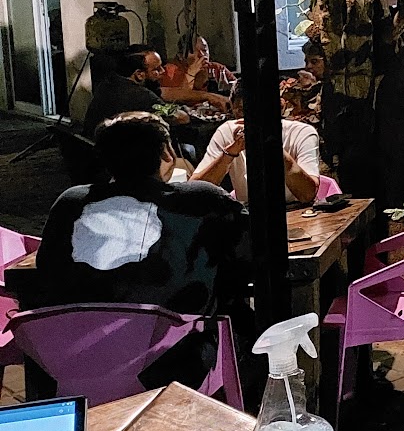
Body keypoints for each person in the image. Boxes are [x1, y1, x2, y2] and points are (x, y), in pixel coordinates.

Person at [24, 111, 249, 318]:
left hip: (86, 339)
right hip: (182, 341)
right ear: (167, 153)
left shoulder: (71, 202)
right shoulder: (203, 199)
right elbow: (251, 254)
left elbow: (48, 270)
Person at [193, 77, 323, 205]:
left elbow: (307, 195)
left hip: (295, 210)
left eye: (259, 110)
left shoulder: (302, 133)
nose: (250, 118)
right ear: (233, 108)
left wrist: (271, 143)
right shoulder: (227, 132)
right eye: (242, 111)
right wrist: (230, 153)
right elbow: (196, 192)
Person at [84, 47, 189, 133]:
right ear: (139, 74)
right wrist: (185, 110)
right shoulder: (140, 95)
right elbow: (181, 118)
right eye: (156, 69)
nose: (163, 71)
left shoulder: (108, 84)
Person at [159, 35, 232, 108]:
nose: (202, 55)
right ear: (181, 56)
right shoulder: (170, 72)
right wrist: (191, 73)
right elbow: (179, 99)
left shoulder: (217, 69)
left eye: (204, 50)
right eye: (194, 51)